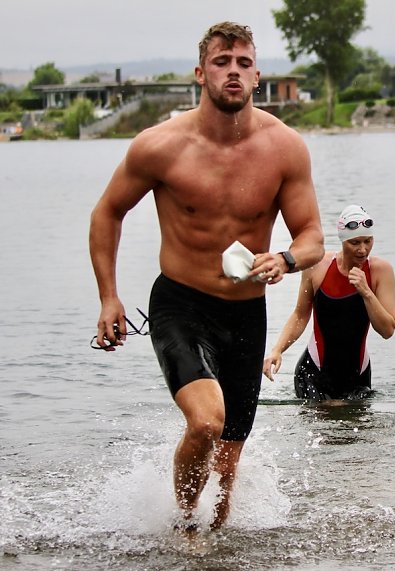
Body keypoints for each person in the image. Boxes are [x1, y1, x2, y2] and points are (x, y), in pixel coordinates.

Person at [89, 22, 324, 531]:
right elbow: (107, 213)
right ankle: (183, 527)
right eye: (222, 62)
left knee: (229, 459)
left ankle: (214, 540)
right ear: (201, 73)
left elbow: (312, 237)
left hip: (246, 312)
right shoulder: (160, 146)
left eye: (242, 63)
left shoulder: (284, 148)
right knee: (205, 421)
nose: (232, 72)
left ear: (257, 75)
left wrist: (284, 259)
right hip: (181, 304)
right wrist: (110, 298)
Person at [264, 205, 395, 400]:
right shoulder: (317, 267)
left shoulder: (381, 271)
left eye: (368, 241)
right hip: (313, 374)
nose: (363, 249)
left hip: (357, 376)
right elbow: (300, 315)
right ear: (342, 240)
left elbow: (387, 330)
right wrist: (277, 350)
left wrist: (366, 292)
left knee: (357, 427)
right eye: (355, 242)